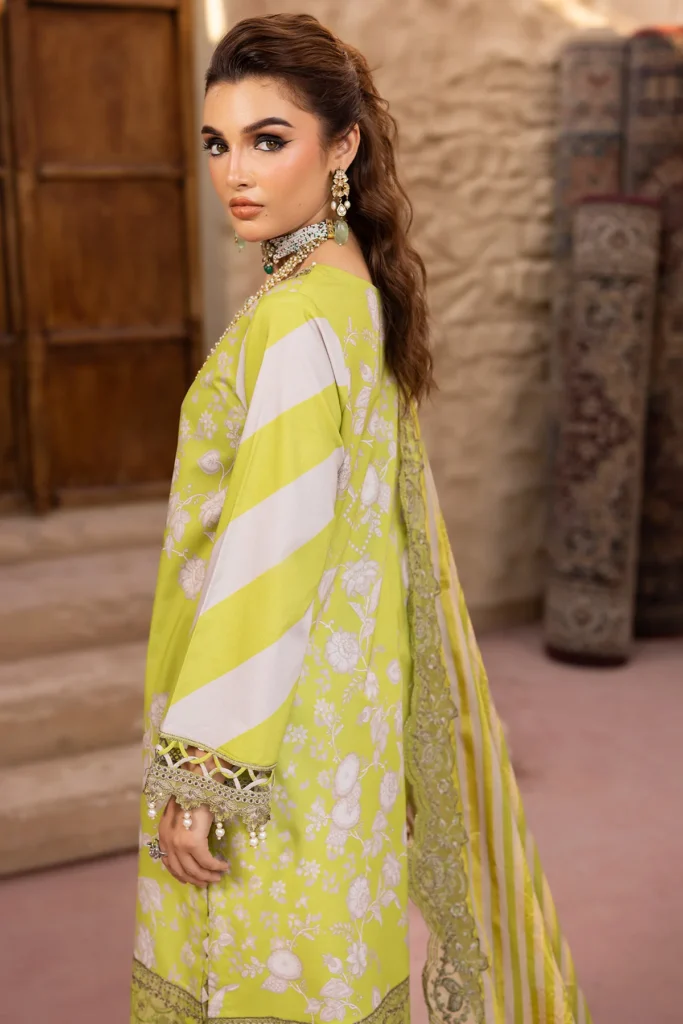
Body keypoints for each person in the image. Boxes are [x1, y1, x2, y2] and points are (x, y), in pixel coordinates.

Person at [132, 13, 590, 1024]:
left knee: (262, 976)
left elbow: (270, 555)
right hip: (350, 706)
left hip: (276, 732)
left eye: (268, 139)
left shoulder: (296, 319)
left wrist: (205, 773)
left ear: (341, 146)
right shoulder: (351, 291)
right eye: (217, 142)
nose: (234, 173)